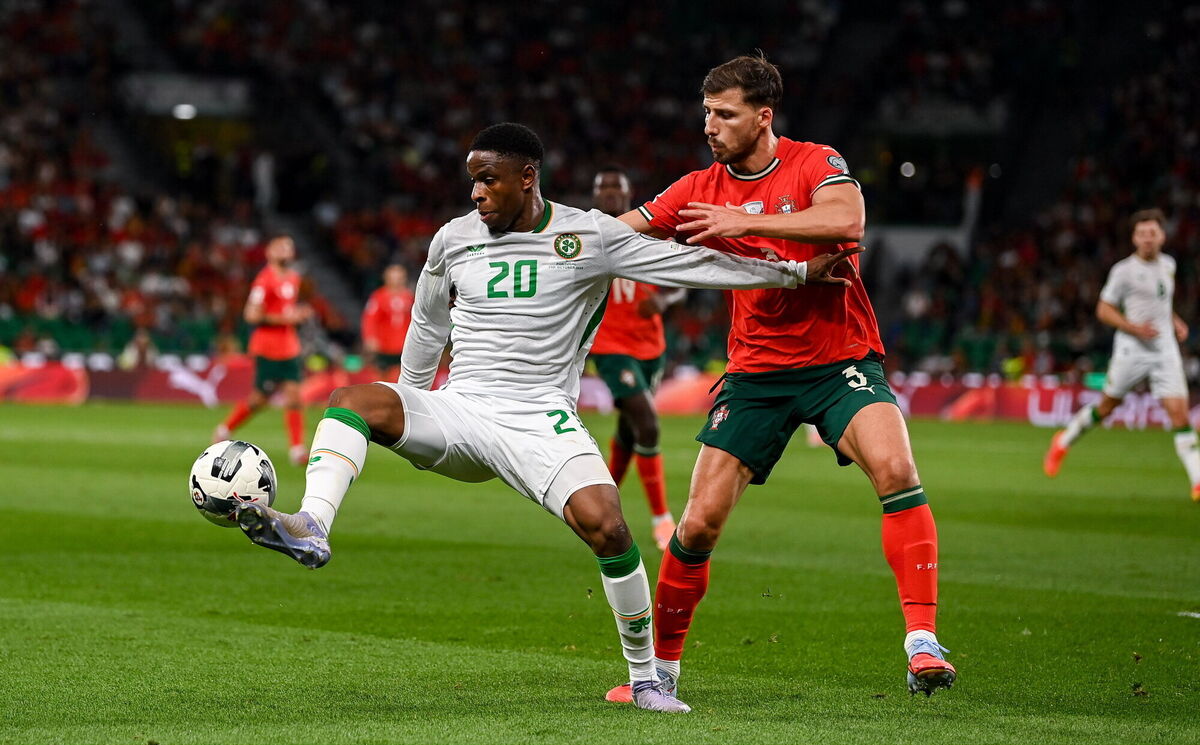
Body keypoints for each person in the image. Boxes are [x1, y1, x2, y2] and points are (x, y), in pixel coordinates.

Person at [226, 123, 859, 714]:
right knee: (352, 400)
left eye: (489, 180)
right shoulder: (453, 238)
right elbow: (427, 324)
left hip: (540, 416)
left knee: (608, 528)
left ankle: (646, 680)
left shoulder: (590, 235)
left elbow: (689, 264)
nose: (476, 194)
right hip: (462, 408)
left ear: (528, 176)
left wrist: (797, 271)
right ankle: (312, 524)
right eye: (472, 180)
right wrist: (412, 403)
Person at [604, 54, 955, 703]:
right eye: (706, 112)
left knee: (898, 470)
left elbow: (846, 222)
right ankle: (660, 675)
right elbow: (623, 229)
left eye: (725, 114)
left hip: (839, 358)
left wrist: (747, 220)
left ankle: (923, 641)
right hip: (757, 372)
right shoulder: (697, 186)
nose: (710, 125)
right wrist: (550, 241)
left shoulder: (813, 161)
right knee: (700, 521)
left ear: (762, 117)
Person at [1044, 208, 1200, 499]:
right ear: (1134, 238)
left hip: (1164, 349)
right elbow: (1103, 310)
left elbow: (1161, 302)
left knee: (1179, 414)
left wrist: (1174, 320)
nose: (1147, 239)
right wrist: (1133, 327)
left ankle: (1197, 480)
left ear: (1162, 236)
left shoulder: (1168, 264)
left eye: (1152, 233)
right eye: (1142, 234)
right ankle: (1063, 440)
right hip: (1132, 348)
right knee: (1107, 407)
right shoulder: (1123, 271)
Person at [588, 167, 684, 551]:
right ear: (594, 195)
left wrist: (664, 299)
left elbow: (682, 278)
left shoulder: (652, 228)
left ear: (629, 194)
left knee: (630, 431)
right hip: (610, 348)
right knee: (647, 425)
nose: (610, 193)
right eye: (603, 187)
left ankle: (600, 507)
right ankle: (662, 519)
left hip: (650, 348)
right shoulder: (585, 233)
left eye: (617, 187)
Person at [213, 236, 312, 466]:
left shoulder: (294, 278)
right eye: (281, 246)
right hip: (267, 348)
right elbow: (251, 314)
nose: (286, 249)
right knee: (260, 399)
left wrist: (298, 313)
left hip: (289, 347)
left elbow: (286, 308)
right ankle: (224, 428)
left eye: (289, 246)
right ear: (269, 252)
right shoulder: (264, 280)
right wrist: (285, 318)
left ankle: (297, 449)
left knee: (295, 396)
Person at [361, 263, 415, 375]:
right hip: (384, 345)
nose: (397, 281)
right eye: (394, 278)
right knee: (382, 376)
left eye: (400, 278)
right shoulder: (378, 296)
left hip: (405, 345)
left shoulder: (410, 296)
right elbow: (370, 318)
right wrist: (370, 337)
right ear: (387, 278)